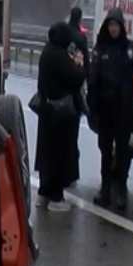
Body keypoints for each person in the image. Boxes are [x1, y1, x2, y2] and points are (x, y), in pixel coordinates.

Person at [88, 8, 133, 211]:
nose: (113, 29)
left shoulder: (130, 48)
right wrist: (92, 107)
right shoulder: (100, 50)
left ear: (121, 27)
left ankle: (120, 190)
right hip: (105, 111)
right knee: (105, 151)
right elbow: (93, 80)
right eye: (110, 25)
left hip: (124, 111)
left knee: (123, 151)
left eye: (116, 25)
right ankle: (105, 189)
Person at [35, 22, 86, 211]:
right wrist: (79, 64)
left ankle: (43, 194)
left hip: (46, 110)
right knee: (58, 155)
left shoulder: (47, 51)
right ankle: (56, 198)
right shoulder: (59, 55)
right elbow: (75, 77)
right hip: (60, 113)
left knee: (46, 156)